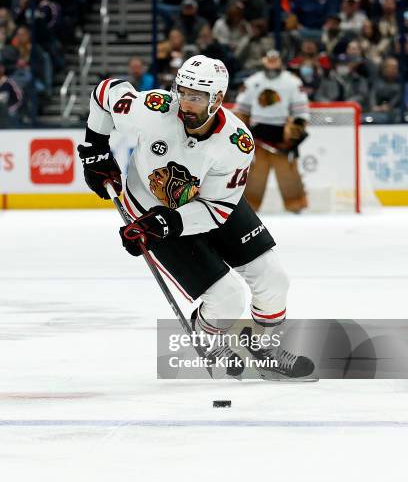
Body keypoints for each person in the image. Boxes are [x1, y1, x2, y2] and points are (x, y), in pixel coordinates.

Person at [77, 54, 314, 379]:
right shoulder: (154, 109)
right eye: (183, 91)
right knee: (227, 299)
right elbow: (105, 92)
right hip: (149, 207)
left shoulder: (236, 144)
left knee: (274, 280)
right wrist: (95, 149)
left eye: (196, 97)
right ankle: (208, 336)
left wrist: (170, 222)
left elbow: (216, 210)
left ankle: (264, 346)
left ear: (217, 99)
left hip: (211, 203)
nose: (185, 103)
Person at [234, 50, 310, 213]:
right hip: (258, 134)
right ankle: (248, 209)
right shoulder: (252, 82)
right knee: (254, 175)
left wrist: (293, 135)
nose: (272, 64)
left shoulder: (292, 82)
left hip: (282, 133)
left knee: (288, 173)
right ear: (264, 61)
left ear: (280, 61)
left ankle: (296, 205)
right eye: (270, 60)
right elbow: (241, 111)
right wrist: (243, 132)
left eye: (275, 60)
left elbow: (301, 112)